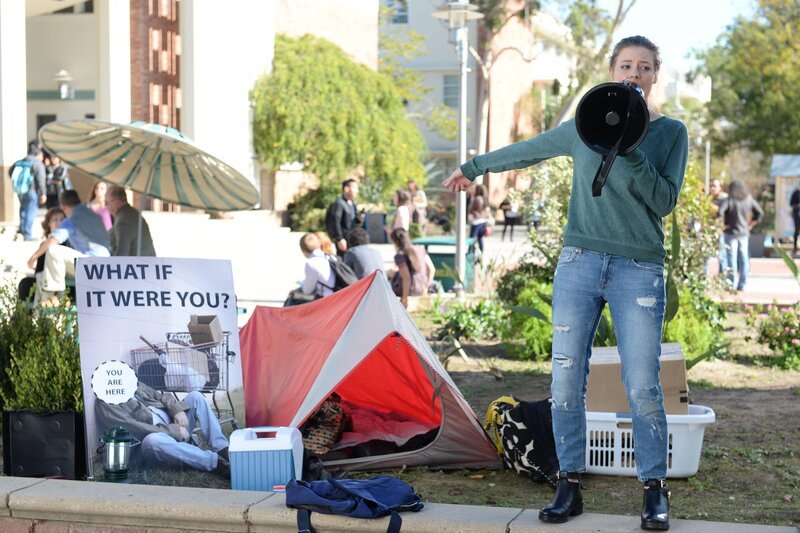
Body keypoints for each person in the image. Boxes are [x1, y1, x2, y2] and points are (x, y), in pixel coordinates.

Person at [442, 35, 687, 530]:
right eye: (625, 65)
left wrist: (631, 150)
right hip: (579, 262)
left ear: (655, 75)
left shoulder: (671, 133)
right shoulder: (585, 124)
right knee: (564, 380)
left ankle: (654, 491)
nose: (633, 74)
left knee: (641, 385)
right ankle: (568, 485)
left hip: (638, 268)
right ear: (613, 69)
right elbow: (530, 150)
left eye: (643, 67)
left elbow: (663, 202)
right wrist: (474, 168)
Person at [95, 382, 230, 477]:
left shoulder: (132, 384)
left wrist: (177, 410)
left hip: (175, 424)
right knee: (152, 441)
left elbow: (162, 396)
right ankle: (216, 463)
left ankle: (222, 448)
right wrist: (173, 431)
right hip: (155, 439)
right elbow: (136, 428)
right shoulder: (106, 404)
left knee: (196, 396)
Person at [26, 190, 111, 306]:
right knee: (44, 275)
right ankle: (45, 311)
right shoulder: (93, 216)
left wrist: (33, 257)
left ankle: (60, 296)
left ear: (64, 207)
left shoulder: (72, 219)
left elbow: (53, 240)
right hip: (106, 266)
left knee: (54, 250)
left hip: (92, 266)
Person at [718, 180, 763, 291]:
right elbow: (759, 213)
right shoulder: (748, 199)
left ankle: (731, 283)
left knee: (731, 257)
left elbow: (720, 212)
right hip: (744, 232)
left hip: (731, 232)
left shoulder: (729, 200)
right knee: (743, 258)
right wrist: (751, 224)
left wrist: (722, 224)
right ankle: (742, 283)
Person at [9, 141, 47, 241]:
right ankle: (27, 235)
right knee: (30, 212)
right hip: (31, 191)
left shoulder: (20, 162)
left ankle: (21, 231)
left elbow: (10, 171)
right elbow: (41, 179)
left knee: (23, 210)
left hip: (20, 190)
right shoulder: (37, 163)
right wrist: (43, 193)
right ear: (37, 154)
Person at [389, 228, 435, 309]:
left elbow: (407, 278)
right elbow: (432, 269)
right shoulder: (420, 249)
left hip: (411, 290)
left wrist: (404, 299)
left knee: (390, 274)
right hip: (423, 287)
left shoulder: (400, 256)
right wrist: (426, 287)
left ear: (396, 242)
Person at [105, 185, 157, 256]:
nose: (106, 206)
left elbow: (122, 255)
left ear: (117, 202)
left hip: (140, 265)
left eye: (106, 203)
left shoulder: (123, 220)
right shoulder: (131, 213)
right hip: (147, 263)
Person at [325, 179, 362, 256]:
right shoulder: (339, 203)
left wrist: (359, 219)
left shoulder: (352, 203)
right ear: (346, 188)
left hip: (352, 239)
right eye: (355, 188)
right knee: (344, 262)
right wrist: (339, 239)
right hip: (344, 239)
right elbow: (336, 221)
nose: (357, 190)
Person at [708, 178, 729, 274]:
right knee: (706, 255)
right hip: (708, 230)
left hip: (719, 231)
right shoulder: (708, 198)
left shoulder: (724, 198)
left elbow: (719, 212)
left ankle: (723, 276)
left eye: (714, 186)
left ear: (720, 188)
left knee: (722, 255)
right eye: (711, 185)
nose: (712, 188)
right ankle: (704, 277)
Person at [468, 185, 490, 255]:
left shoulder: (477, 198)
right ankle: (481, 253)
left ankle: (470, 253)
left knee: (472, 238)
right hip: (483, 221)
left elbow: (470, 209)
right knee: (480, 238)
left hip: (476, 221)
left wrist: (472, 199)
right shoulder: (485, 199)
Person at [790, 184, 800, 257]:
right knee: (796, 232)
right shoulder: (795, 193)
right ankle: (795, 248)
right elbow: (791, 204)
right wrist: (797, 206)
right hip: (797, 216)